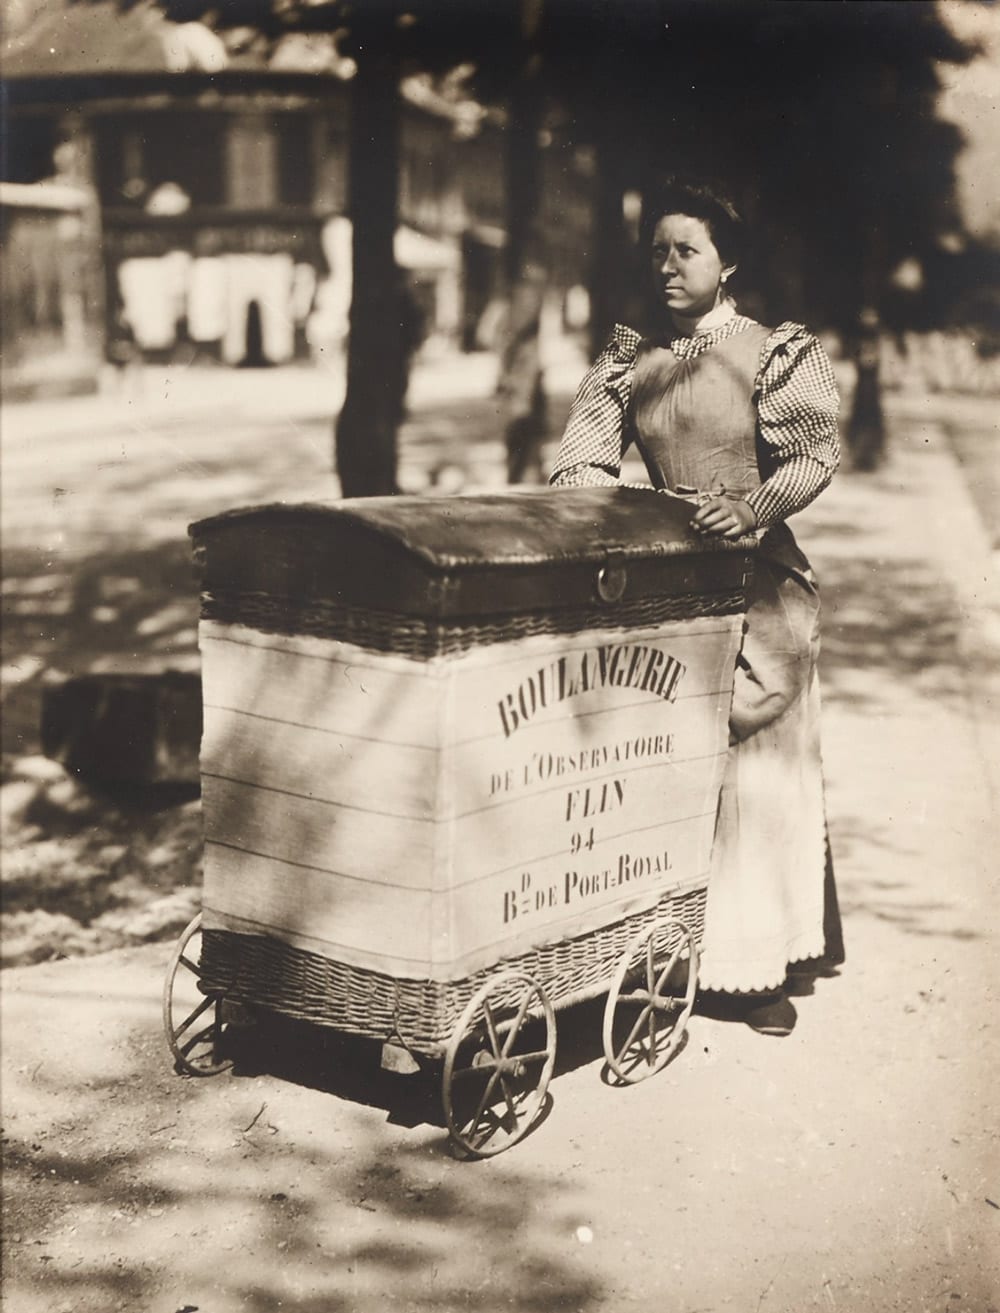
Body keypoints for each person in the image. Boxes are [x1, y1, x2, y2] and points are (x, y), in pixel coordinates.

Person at [550, 178, 844, 1036]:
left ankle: (756, 968)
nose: (669, 265)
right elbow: (581, 464)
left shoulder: (772, 350)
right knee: (659, 759)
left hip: (754, 585)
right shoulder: (627, 360)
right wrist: (606, 516)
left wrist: (752, 507)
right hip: (662, 581)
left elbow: (814, 451)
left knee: (749, 775)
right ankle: (657, 955)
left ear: (728, 265)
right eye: (658, 251)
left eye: (688, 250)